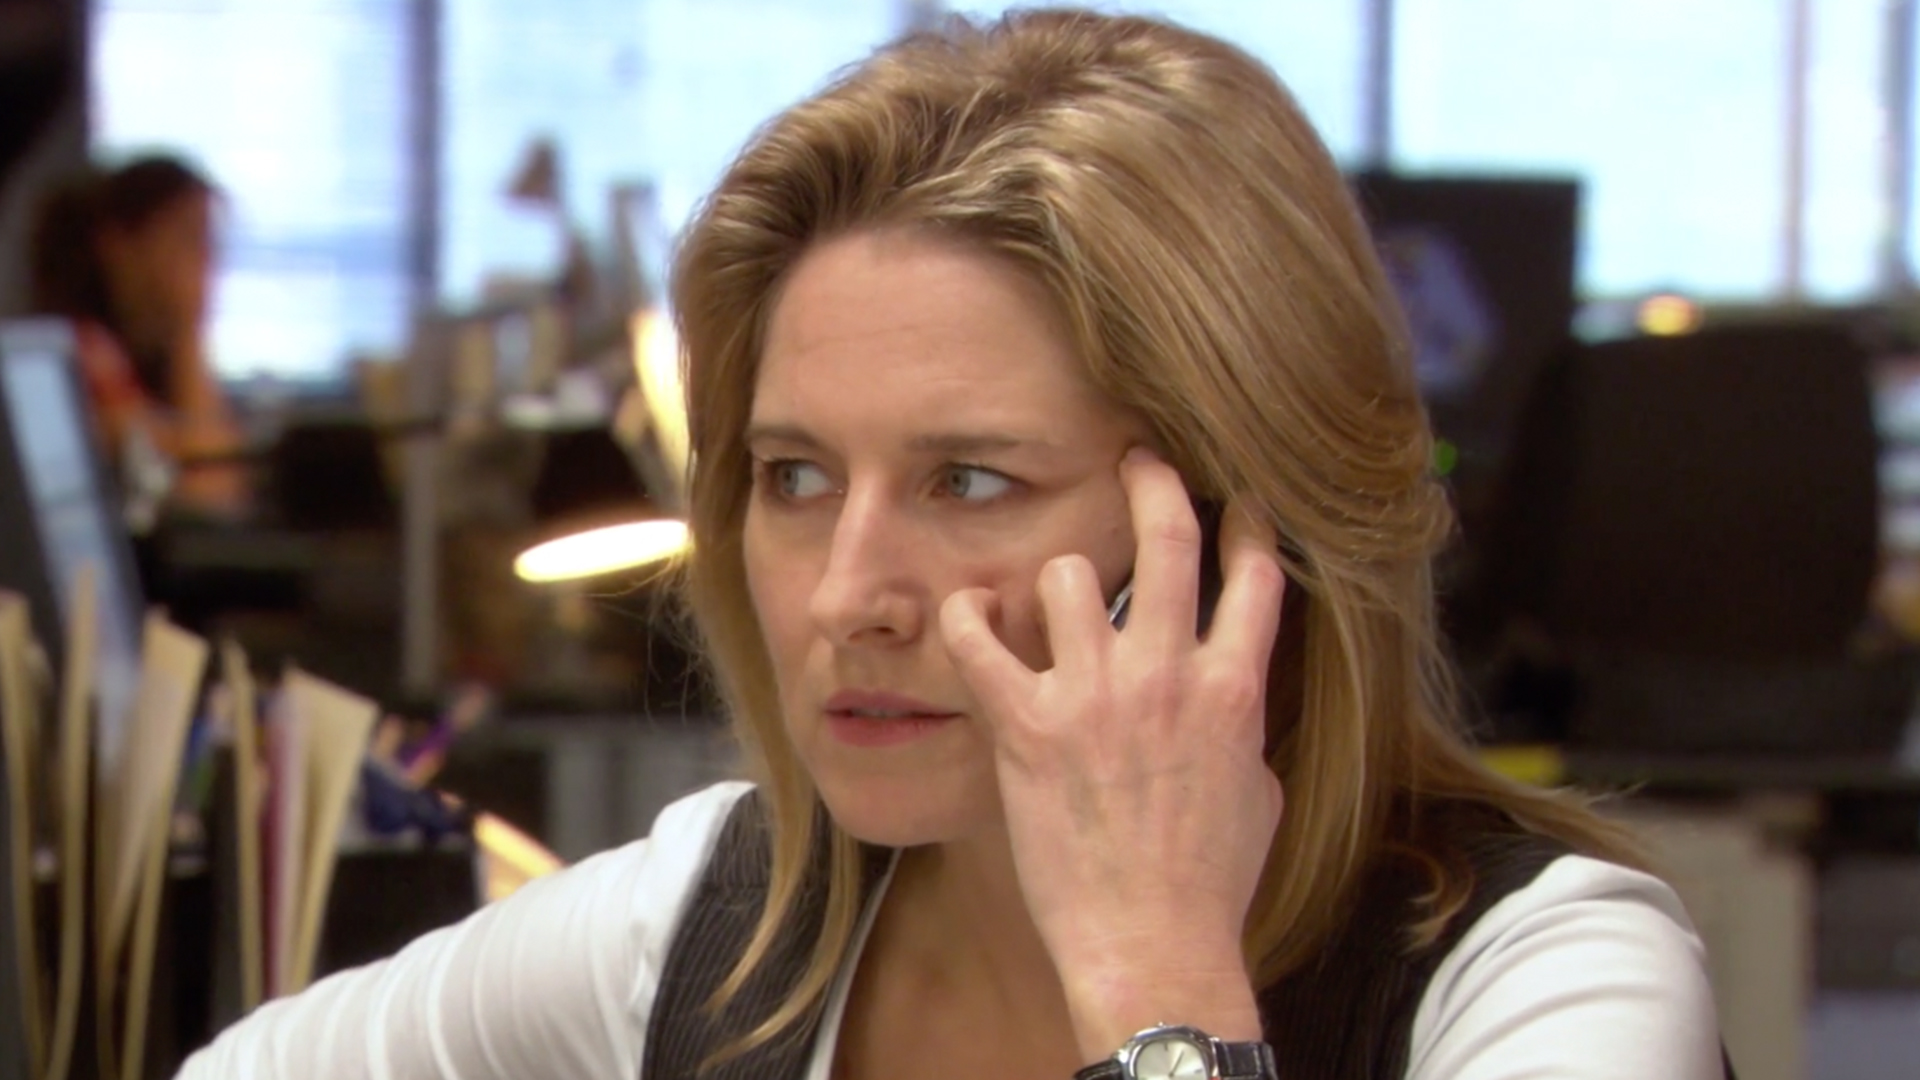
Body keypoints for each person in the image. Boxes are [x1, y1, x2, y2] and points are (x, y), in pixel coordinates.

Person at [178, 11, 1725, 1079]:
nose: (847, 596)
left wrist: (1157, 990)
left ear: (1243, 529)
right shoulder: (717, 932)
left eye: (971, 481)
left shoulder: (1544, 984)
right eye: (795, 476)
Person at [28, 153, 246, 514]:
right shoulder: (83, 350)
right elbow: (208, 493)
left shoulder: (149, 359)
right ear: (119, 247)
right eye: (189, 239)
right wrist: (190, 328)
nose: (207, 261)